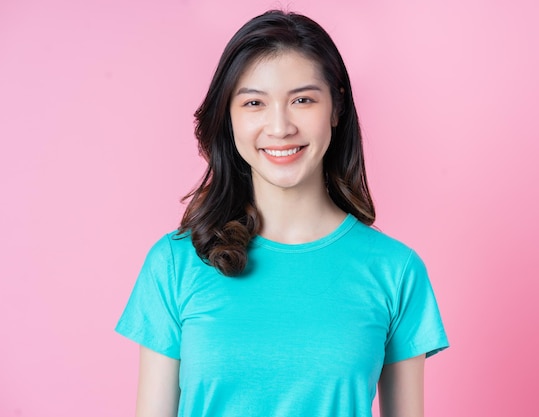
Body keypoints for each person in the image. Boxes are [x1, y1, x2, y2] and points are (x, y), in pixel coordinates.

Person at [116, 9, 448, 417]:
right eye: (254, 102)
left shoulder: (396, 271)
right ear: (229, 116)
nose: (280, 126)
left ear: (336, 108)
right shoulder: (173, 264)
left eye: (302, 100)